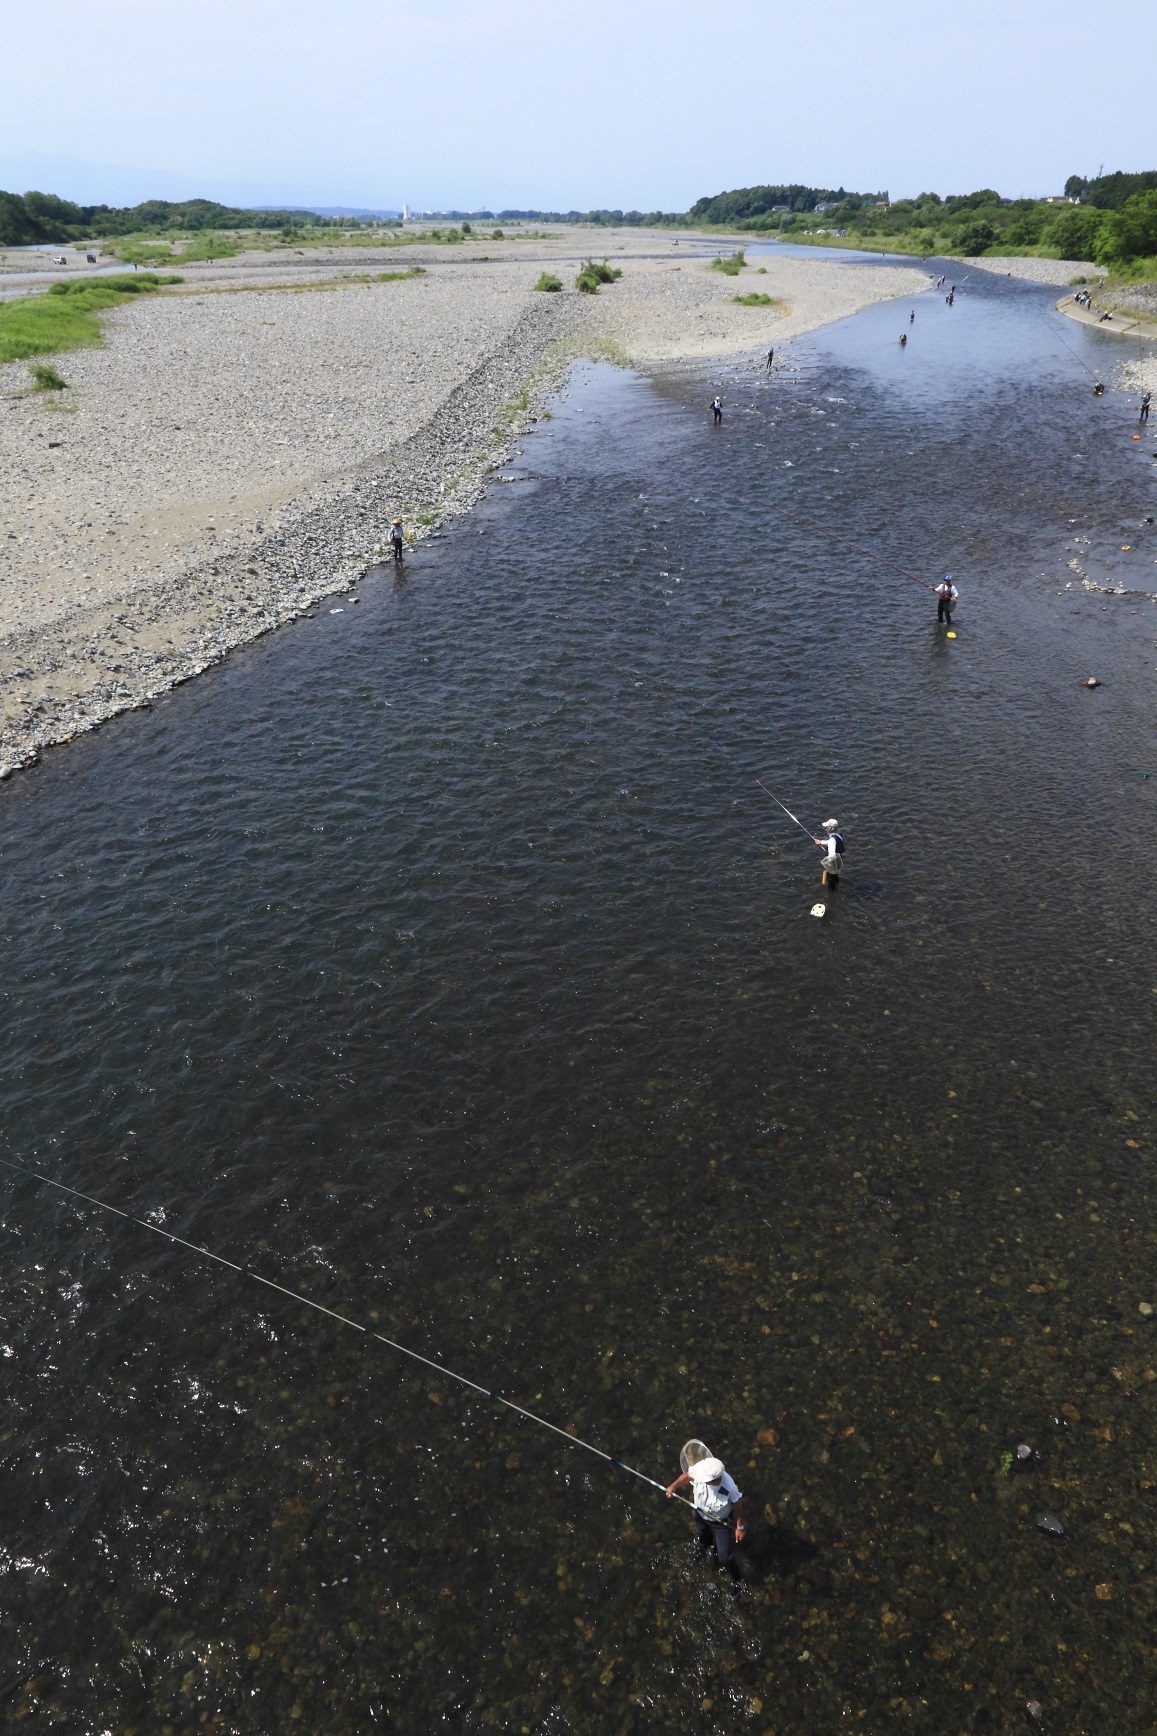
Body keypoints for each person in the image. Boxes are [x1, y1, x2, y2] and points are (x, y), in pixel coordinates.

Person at [666, 1445, 746, 1580]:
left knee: (725, 1557)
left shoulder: (729, 1487)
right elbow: (687, 1476)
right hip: (701, 1514)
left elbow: (738, 1506)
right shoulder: (701, 1469)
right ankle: (705, 1548)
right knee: (703, 1536)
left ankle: (737, 1578)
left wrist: (740, 1527)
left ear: (715, 1480)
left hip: (721, 1521)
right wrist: (673, 1486)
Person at [814, 818, 845, 888]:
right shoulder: (839, 834)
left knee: (830, 880)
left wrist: (828, 861)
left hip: (833, 862)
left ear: (830, 829)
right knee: (835, 874)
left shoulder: (832, 840)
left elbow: (832, 855)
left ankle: (832, 891)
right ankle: (837, 883)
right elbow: (833, 842)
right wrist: (821, 842)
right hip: (839, 859)